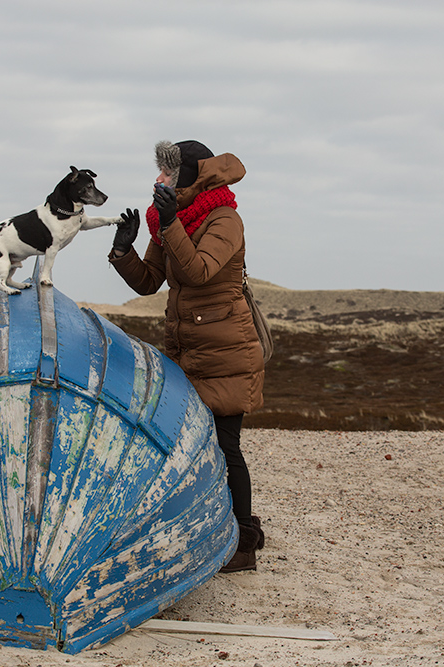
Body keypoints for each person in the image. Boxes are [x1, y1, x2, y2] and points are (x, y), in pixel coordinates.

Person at [109, 140, 265, 573]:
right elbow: (149, 282)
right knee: (192, 445)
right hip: (186, 351)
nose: (158, 180)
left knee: (225, 445)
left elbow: (198, 270)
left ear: (188, 178)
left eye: (166, 173)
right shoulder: (166, 220)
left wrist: (170, 223)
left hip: (227, 351)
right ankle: (208, 531)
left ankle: (243, 547)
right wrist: (125, 250)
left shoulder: (225, 219)